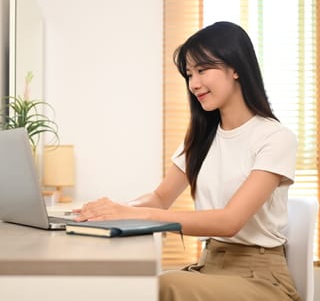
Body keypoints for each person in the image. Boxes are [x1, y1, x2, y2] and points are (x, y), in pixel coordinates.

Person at [75, 21, 300, 301]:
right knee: (134, 285)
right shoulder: (202, 136)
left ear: (236, 68)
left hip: (262, 280)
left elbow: (230, 221)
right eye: (189, 74)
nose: (194, 84)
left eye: (203, 70)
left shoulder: (275, 138)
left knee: (162, 287)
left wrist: (132, 214)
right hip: (209, 267)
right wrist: (108, 211)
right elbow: (159, 198)